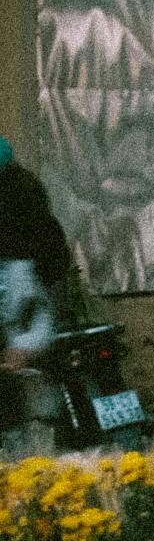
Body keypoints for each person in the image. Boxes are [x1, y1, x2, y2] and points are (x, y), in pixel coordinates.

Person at [0, 140, 71, 454]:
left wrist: (21, 347)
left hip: (20, 372)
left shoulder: (16, 261)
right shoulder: (37, 225)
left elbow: (32, 310)